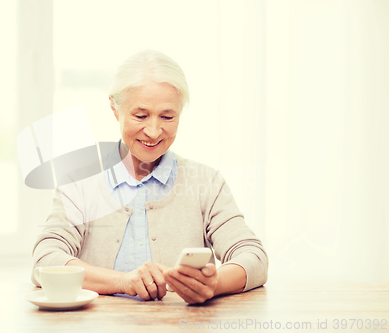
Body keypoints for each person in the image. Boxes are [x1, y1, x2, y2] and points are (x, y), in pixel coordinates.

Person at [32, 49, 268, 304]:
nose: (154, 131)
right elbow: (45, 258)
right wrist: (122, 281)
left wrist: (214, 284)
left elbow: (253, 257)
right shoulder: (80, 181)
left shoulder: (206, 183)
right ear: (114, 108)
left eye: (167, 116)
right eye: (140, 115)